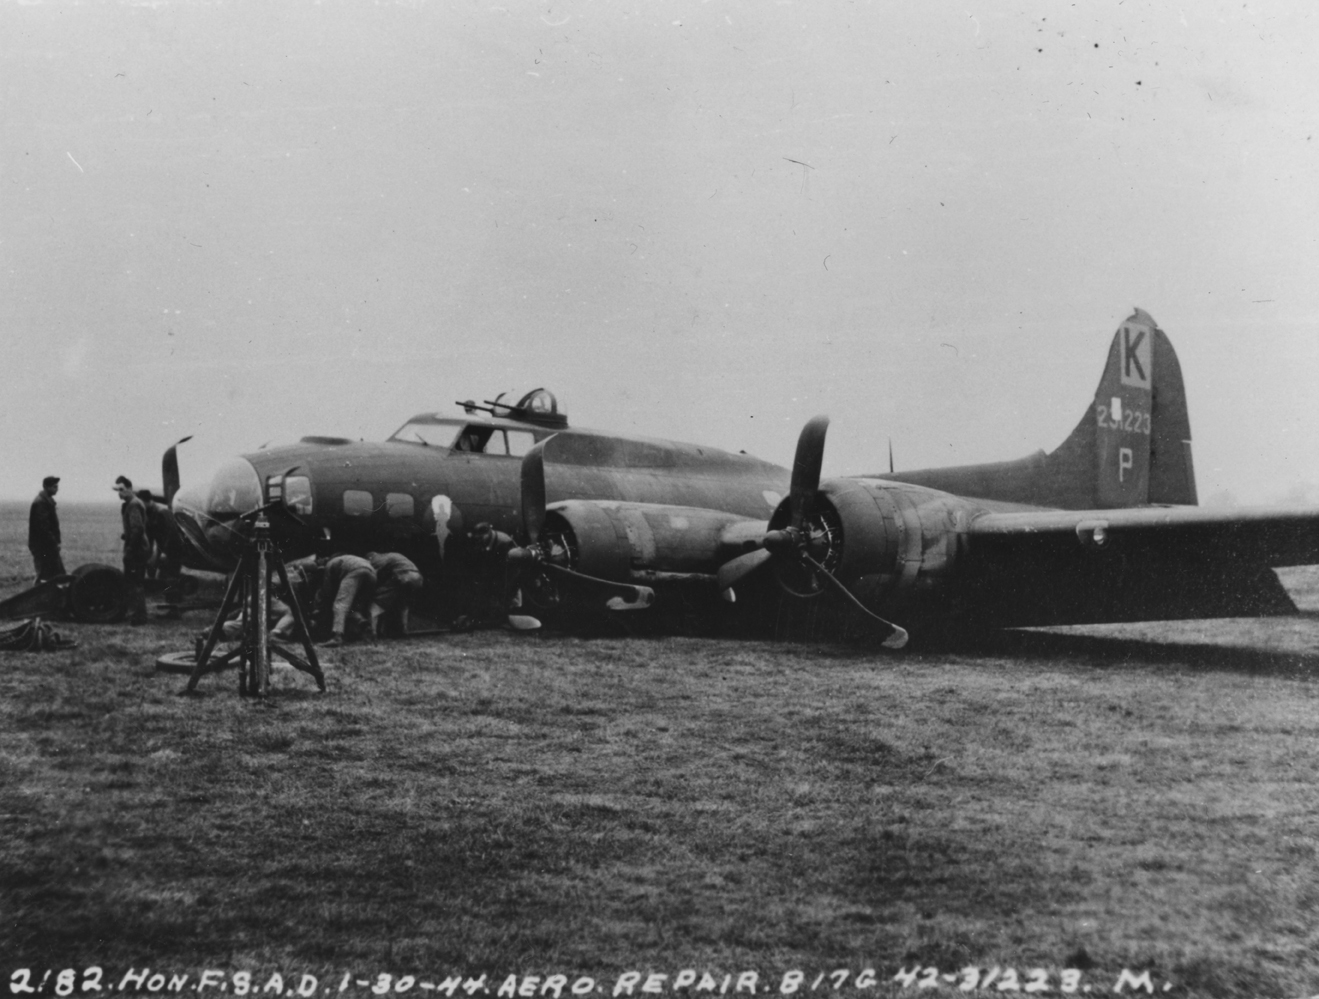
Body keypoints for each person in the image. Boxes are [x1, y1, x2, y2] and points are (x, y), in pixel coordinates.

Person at [138, 489, 184, 614]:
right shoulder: (148, 513)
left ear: (148, 501)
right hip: (163, 549)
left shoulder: (162, 512)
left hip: (174, 549)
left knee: (170, 577)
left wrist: (164, 552)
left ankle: (174, 608)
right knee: (164, 578)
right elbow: (150, 536)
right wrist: (149, 555)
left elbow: (172, 533)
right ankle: (172, 606)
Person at [314, 553, 376, 646]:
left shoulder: (329, 565)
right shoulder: (345, 559)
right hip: (372, 573)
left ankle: (337, 637)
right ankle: (363, 624)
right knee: (353, 608)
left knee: (340, 604)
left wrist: (320, 606)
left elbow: (327, 590)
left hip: (355, 571)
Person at [114, 475, 151, 625]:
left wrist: (129, 549)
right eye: (117, 490)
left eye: (122, 489)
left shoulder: (133, 504)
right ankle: (135, 613)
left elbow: (138, 529)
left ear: (130, 489)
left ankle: (139, 616)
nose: (119, 493)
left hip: (136, 550)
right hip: (138, 548)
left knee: (135, 583)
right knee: (133, 581)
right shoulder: (133, 503)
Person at [365, 551, 425, 636]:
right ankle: (404, 630)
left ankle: (372, 632)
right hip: (418, 579)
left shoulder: (376, 558)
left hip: (403, 575)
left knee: (376, 603)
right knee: (403, 604)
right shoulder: (393, 556)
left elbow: (372, 573)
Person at [28, 476, 65, 583]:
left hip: (47, 545)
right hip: (43, 546)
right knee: (44, 576)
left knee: (53, 574)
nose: (56, 489)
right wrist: (54, 543)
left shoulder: (46, 501)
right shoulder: (41, 503)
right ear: (46, 487)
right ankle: (37, 598)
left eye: (57, 486)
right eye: (54, 487)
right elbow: (43, 528)